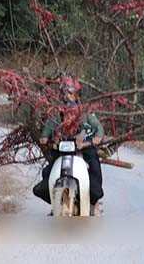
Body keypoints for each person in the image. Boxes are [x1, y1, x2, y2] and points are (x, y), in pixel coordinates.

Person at [33, 76, 104, 215]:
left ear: (77, 95)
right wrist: (50, 141)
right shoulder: (56, 113)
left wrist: (89, 141)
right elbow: (45, 134)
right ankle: (56, 203)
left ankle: (93, 204)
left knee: (95, 169)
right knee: (46, 174)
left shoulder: (85, 112)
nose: (68, 97)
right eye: (66, 93)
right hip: (62, 152)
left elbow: (98, 129)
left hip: (83, 150)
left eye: (71, 93)